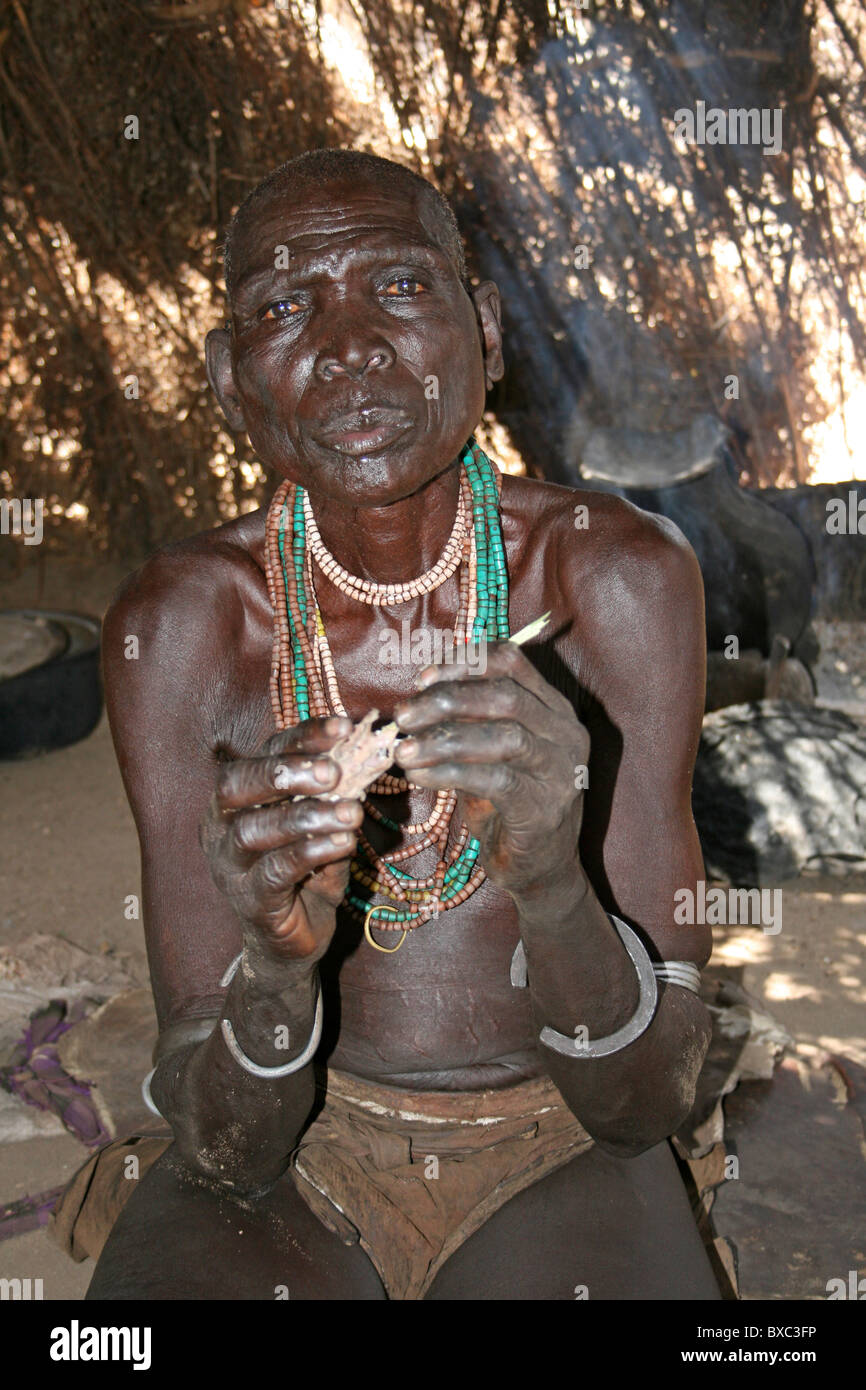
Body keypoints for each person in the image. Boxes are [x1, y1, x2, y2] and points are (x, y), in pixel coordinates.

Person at [85, 148, 719, 1300]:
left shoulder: (615, 579)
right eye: (285, 307)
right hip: (293, 1151)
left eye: (398, 286)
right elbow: (222, 1145)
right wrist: (278, 967)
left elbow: (649, 1105)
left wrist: (552, 882)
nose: (347, 345)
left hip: (558, 1138)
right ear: (231, 380)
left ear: (482, 327)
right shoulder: (180, 626)